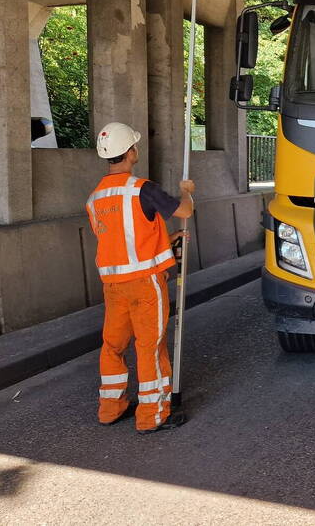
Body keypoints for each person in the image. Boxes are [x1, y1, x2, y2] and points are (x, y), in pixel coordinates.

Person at [85, 122, 195, 434]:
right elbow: (184, 211)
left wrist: (166, 240)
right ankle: (152, 415)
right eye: (135, 146)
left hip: (113, 286)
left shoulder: (95, 199)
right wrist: (187, 192)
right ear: (131, 152)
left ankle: (111, 408)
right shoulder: (141, 188)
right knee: (150, 347)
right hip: (145, 284)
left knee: (113, 345)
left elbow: (121, 240)